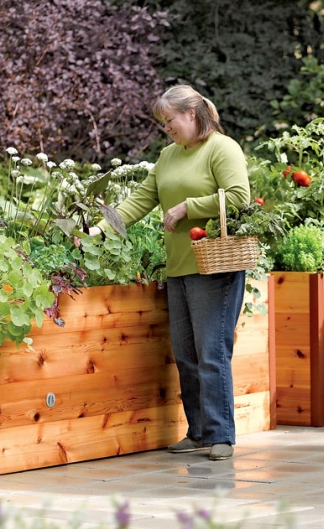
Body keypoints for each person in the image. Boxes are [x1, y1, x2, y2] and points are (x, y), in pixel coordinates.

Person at [82, 84, 250, 460]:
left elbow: (238, 196)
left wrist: (186, 207)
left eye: (170, 120)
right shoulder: (168, 156)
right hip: (179, 268)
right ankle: (200, 431)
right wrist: (97, 230)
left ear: (191, 114)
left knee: (211, 352)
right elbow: (140, 200)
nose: (167, 129)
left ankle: (221, 434)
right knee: (186, 354)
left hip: (213, 267)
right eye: (163, 123)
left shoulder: (222, 148)